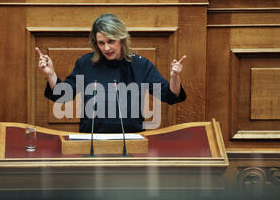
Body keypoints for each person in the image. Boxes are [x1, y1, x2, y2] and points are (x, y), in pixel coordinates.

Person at [37, 13, 186, 133]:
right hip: (91, 141)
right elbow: (63, 95)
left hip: (131, 141)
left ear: (122, 39)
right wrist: (50, 74)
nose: (106, 48)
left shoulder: (141, 65)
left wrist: (175, 77)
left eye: (111, 41)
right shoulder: (85, 63)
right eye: (101, 43)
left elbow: (170, 96)